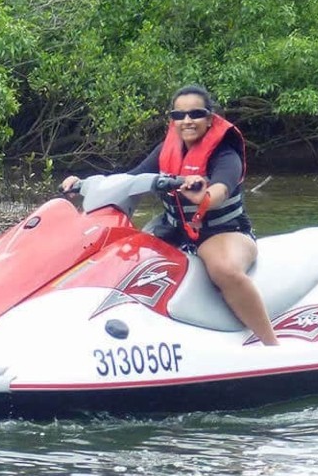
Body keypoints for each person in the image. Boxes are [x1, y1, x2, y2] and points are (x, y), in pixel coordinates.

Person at [61, 85, 279, 346]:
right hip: (175, 231)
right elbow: (130, 179)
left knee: (224, 269)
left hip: (224, 231)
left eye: (195, 114)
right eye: (179, 115)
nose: (187, 121)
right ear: (172, 120)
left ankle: (270, 344)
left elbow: (223, 185)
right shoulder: (165, 152)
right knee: (121, 259)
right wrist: (83, 184)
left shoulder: (225, 153)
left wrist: (206, 196)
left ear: (210, 119)